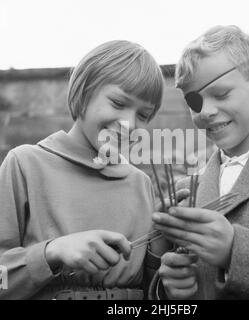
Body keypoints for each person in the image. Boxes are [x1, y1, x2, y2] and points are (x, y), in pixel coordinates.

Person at [0, 40, 167, 299]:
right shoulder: (24, 165)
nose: (130, 124)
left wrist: (165, 245)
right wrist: (51, 252)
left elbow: (154, 291)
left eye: (143, 115)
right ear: (84, 93)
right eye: (118, 103)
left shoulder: (141, 183)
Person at [151, 25, 249, 299]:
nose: (207, 111)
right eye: (195, 101)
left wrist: (237, 249)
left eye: (221, 94)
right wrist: (169, 288)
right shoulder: (186, 191)